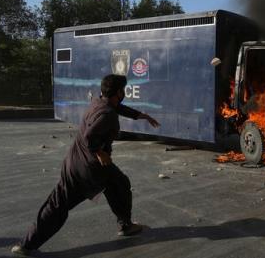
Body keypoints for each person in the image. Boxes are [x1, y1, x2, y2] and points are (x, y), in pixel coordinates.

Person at [11, 74, 160, 256]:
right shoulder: (108, 115)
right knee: (117, 185)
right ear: (118, 92)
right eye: (123, 90)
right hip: (92, 168)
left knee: (112, 187)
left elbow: (116, 108)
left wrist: (140, 115)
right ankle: (126, 225)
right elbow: (91, 136)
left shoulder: (99, 103)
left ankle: (26, 244)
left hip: (73, 162)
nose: (124, 93)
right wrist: (99, 152)